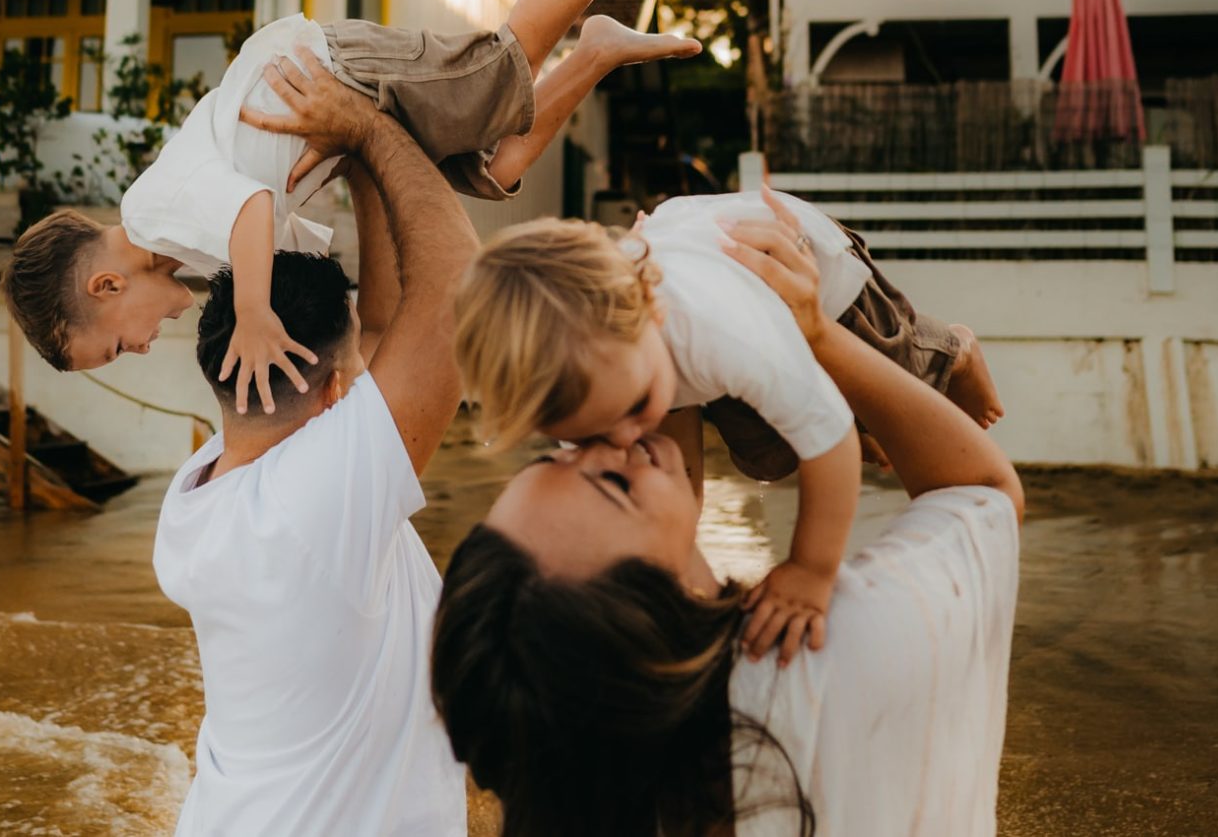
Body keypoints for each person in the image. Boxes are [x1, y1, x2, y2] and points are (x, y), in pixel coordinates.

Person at [0, 0, 742, 407]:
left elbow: (255, 204)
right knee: (493, 169)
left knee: (493, 73)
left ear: (106, 287)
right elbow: (302, 252)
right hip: (333, 113)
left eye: (118, 346)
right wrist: (345, 352)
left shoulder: (155, 212)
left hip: (329, 67)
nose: (142, 346)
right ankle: (593, 54)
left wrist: (254, 315)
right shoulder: (196, 248)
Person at [432, 192, 1024, 837]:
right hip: (777, 287)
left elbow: (757, 450)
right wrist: (817, 342)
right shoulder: (857, 649)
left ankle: (948, 354)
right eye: (610, 484)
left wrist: (812, 556)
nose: (621, 444)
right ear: (645, 617)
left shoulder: (570, 790)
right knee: (774, 445)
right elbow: (986, 492)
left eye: (552, 461)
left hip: (797, 279)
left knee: (855, 387)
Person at [451, 187, 1003, 656]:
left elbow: (827, 438)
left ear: (651, 304)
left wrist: (810, 571)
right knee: (765, 456)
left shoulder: (716, 336)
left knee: (896, 382)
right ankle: (835, 413)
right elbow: (678, 483)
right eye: (590, 435)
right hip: (703, 287)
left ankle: (954, 351)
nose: (625, 439)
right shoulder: (617, 361)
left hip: (814, 276)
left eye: (634, 407)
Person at [152, 55, 478, 836]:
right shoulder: (316, 498)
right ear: (337, 393)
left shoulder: (199, 494)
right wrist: (368, 126)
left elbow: (384, 325)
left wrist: (366, 162)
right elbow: (462, 283)